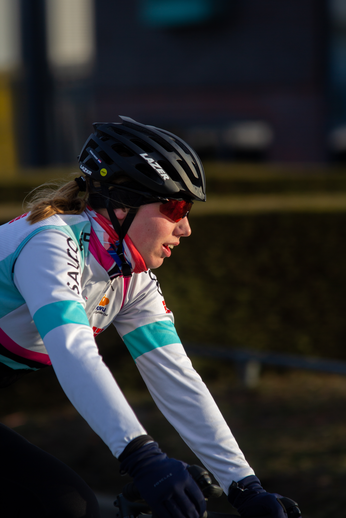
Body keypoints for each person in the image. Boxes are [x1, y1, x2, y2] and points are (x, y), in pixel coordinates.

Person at [0, 116, 300, 518]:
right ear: (122, 204)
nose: (186, 227)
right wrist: (142, 457)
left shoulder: (131, 279)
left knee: (64, 505)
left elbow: (177, 379)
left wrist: (244, 487)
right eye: (176, 206)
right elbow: (74, 352)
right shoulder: (51, 243)